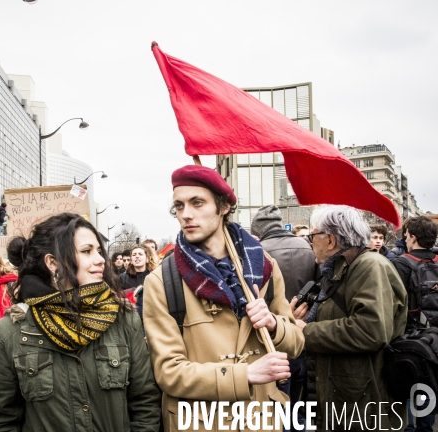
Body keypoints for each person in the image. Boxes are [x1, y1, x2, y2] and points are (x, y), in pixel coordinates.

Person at [143, 165, 304, 432]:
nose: (186, 215)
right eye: (179, 206)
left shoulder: (264, 266)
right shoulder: (162, 281)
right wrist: (245, 375)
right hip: (202, 422)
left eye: (197, 203)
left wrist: (274, 323)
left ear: (224, 206)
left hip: (263, 418)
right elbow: (168, 372)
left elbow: (296, 343)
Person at [0, 213, 161, 431]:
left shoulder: (123, 319)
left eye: (98, 251)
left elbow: (145, 403)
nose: (100, 259)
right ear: (52, 262)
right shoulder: (11, 332)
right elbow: (1, 420)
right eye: (86, 251)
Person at [291, 206, 407, 431]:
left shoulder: (370, 266)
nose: (311, 242)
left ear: (331, 241)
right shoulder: (341, 269)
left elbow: (371, 330)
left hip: (364, 400)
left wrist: (305, 331)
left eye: (313, 236)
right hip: (345, 394)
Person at [250, 205, 317, 416]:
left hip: (271, 334)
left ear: (259, 229)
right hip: (301, 328)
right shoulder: (307, 247)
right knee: (298, 401)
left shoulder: (258, 253)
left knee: (277, 405)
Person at [390, 217, 438, 432]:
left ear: (413, 237)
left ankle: (411, 426)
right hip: (436, 333)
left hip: (412, 335)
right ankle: (426, 427)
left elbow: (394, 300)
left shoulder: (401, 262)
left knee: (413, 381)